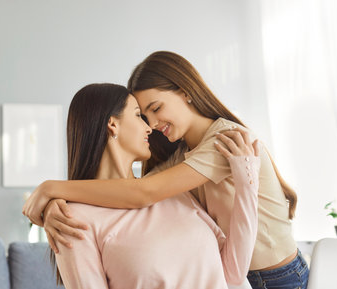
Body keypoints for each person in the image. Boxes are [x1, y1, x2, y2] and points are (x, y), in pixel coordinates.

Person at [23, 51, 309, 289]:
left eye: (156, 108)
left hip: (279, 276)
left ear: (185, 92)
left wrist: (52, 189)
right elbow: (131, 193)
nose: (152, 124)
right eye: (143, 115)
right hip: (247, 275)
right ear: (113, 125)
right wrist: (55, 207)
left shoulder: (226, 142)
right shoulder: (180, 163)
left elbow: (143, 192)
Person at [51, 83, 260, 289]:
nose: (149, 128)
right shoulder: (71, 220)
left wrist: (246, 181)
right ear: (113, 124)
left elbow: (234, 272)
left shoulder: (171, 192)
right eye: (138, 116)